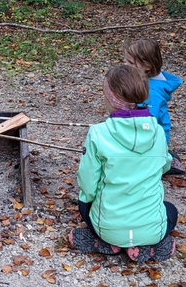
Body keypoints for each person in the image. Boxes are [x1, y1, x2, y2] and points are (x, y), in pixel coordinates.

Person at [70, 65, 178, 263]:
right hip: (153, 229)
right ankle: (144, 245)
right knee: (171, 210)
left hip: (108, 227)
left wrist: (90, 200)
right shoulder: (157, 132)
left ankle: (109, 243)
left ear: (111, 98)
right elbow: (164, 166)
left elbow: (87, 182)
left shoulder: (98, 133)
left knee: (84, 203)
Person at [124, 38, 184, 175]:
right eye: (126, 60)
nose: (125, 65)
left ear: (147, 66)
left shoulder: (152, 93)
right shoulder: (145, 80)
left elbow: (146, 125)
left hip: (150, 142)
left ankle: (160, 161)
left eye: (131, 62)